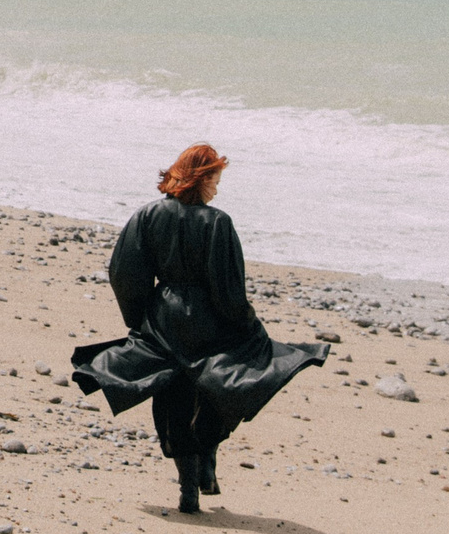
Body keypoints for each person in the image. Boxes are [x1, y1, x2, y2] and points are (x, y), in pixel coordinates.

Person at [71, 143, 325, 514]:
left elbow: (124, 273)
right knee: (223, 385)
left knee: (171, 398)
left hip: (163, 317)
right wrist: (247, 324)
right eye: (214, 181)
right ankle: (207, 456)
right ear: (199, 179)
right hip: (209, 319)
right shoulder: (218, 223)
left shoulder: (147, 215)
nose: (217, 190)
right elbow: (228, 287)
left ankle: (188, 487)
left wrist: (139, 319)